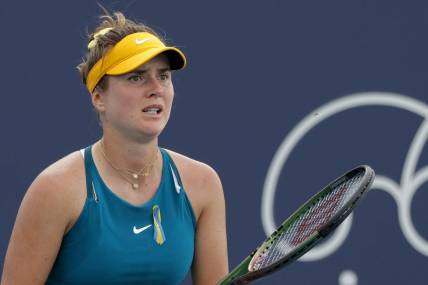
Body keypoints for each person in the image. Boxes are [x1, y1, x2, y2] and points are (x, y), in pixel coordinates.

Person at [1, 11, 228, 285]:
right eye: (136, 77)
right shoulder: (55, 189)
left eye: (164, 76)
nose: (156, 88)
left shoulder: (203, 184)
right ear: (99, 97)